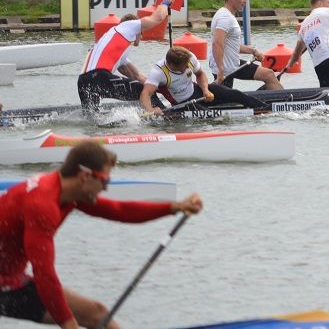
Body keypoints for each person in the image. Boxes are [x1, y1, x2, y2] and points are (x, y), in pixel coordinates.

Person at [0, 140, 203, 328]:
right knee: (86, 317)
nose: (105, 188)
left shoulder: (66, 193)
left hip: (11, 278)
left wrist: (175, 207)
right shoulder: (42, 206)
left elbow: (120, 210)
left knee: (97, 314)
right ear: (85, 176)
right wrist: (69, 325)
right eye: (105, 181)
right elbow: (44, 274)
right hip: (5, 283)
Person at [77, 0, 172, 111]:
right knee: (144, 92)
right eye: (141, 31)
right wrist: (165, 2)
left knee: (92, 120)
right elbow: (158, 18)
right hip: (98, 77)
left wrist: (163, 87)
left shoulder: (116, 48)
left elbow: (136, 76)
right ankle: (166, 116)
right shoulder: (127, 26)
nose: (141, 37)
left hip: (83, 82)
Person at [140, 46, 268, 115]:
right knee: (210, 116)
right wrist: (151, 110)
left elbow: (200, 74)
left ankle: (267, 110)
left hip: (199, 91)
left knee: (235, 94)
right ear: (172, 64)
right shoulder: (158, 72)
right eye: (184, 67)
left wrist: (206, 90)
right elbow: (145, 94)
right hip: (183, 103)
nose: (187, 67)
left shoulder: (189, 58)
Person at [210, 0, 282, 90]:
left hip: (233, 65)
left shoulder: (226, 15)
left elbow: (232, 45)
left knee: (269, 75)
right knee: (224, 104)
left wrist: (253, 51)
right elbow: (217, 43)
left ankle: (279, 104)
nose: (245, 1)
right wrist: (221, 70)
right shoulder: (225, 17)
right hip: (225, 70)